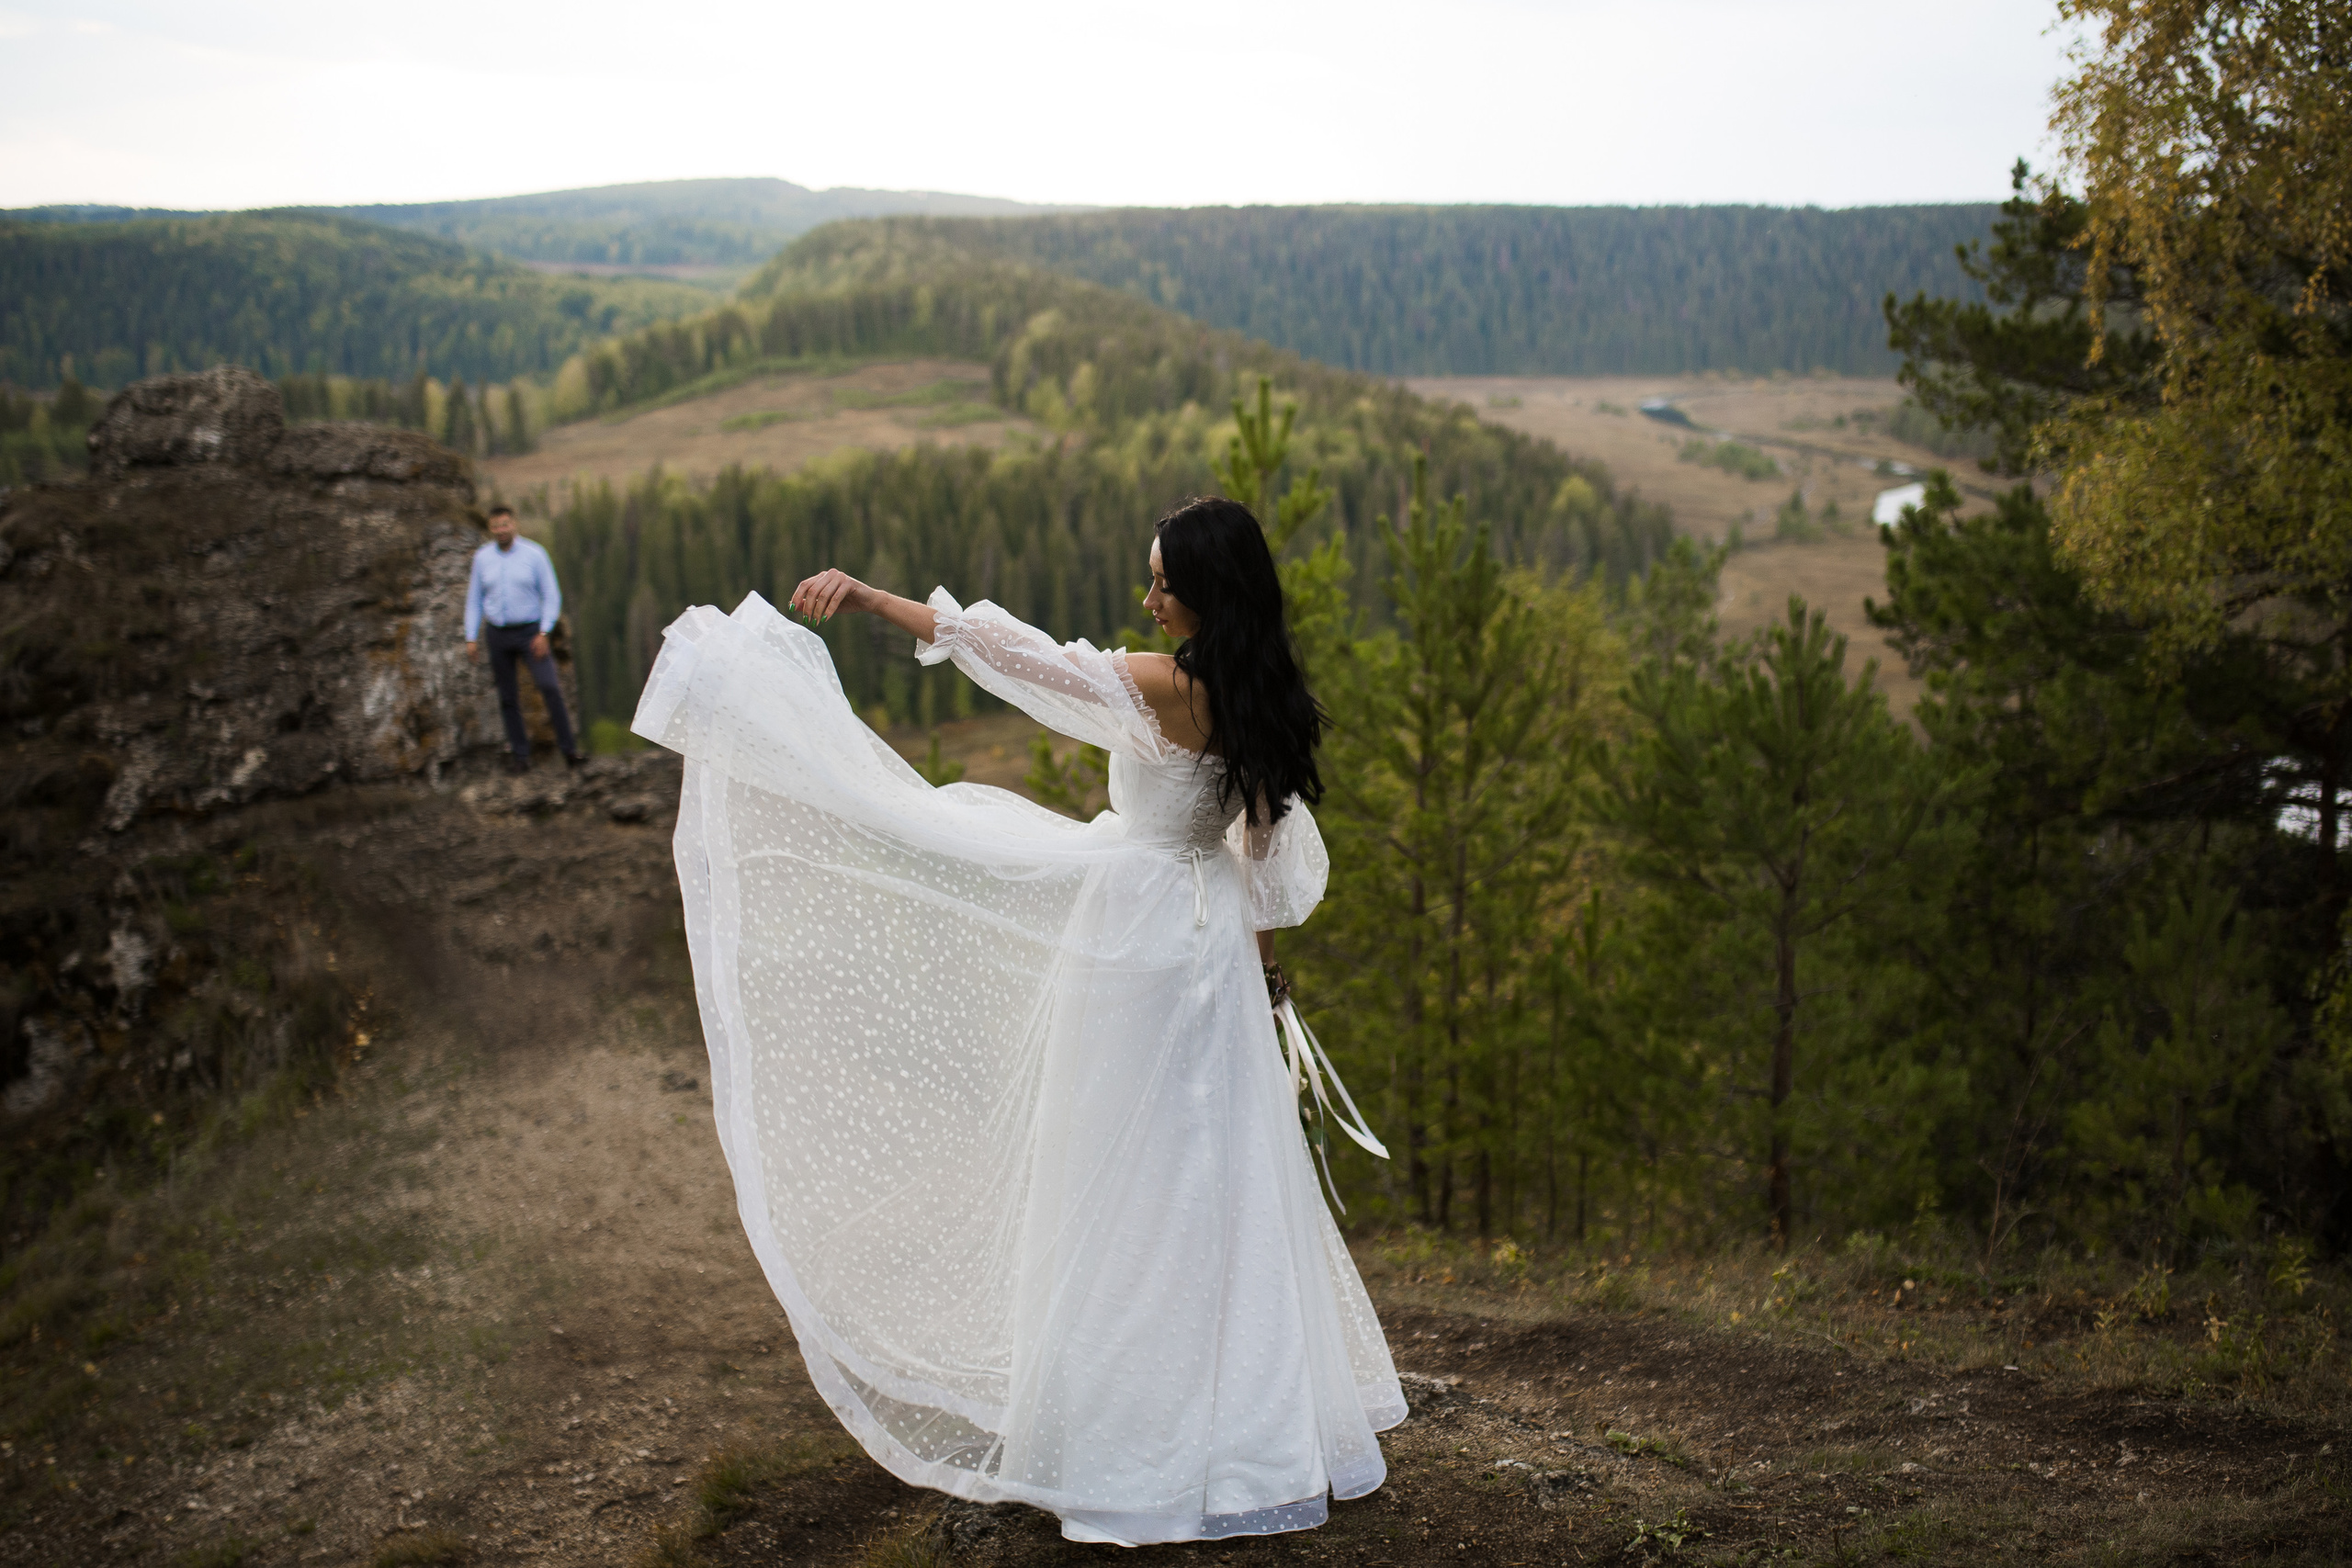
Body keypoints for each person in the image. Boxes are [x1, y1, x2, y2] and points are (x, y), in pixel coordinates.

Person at [629, 495, 1401, 1547]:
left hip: (1139, 941)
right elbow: (1259, 865)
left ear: (1206, 593)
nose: (1147, 598)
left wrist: (868, 599)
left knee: (1121, 1173)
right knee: (1213, 1175)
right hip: (1211, 945)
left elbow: (1016, 654)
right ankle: (1247, 1420)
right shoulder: (1264, 693)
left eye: (1163, 584)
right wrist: (1269, 983)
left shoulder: (1161, 684)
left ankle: (1137, 1427)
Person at [464, 505, 582, 773]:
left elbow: (551, 596)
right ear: (490, 528)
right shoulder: (482, 559)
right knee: (508, 697)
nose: (501, 530)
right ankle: (521, 756)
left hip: (530, 632)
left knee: (550, 687)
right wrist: (470, 637)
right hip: (498, 633)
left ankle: (570, 750)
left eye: (505, 524)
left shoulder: (535, 554)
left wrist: (544, 632)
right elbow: (474, 600)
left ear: (514, 524)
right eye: (495, 526)